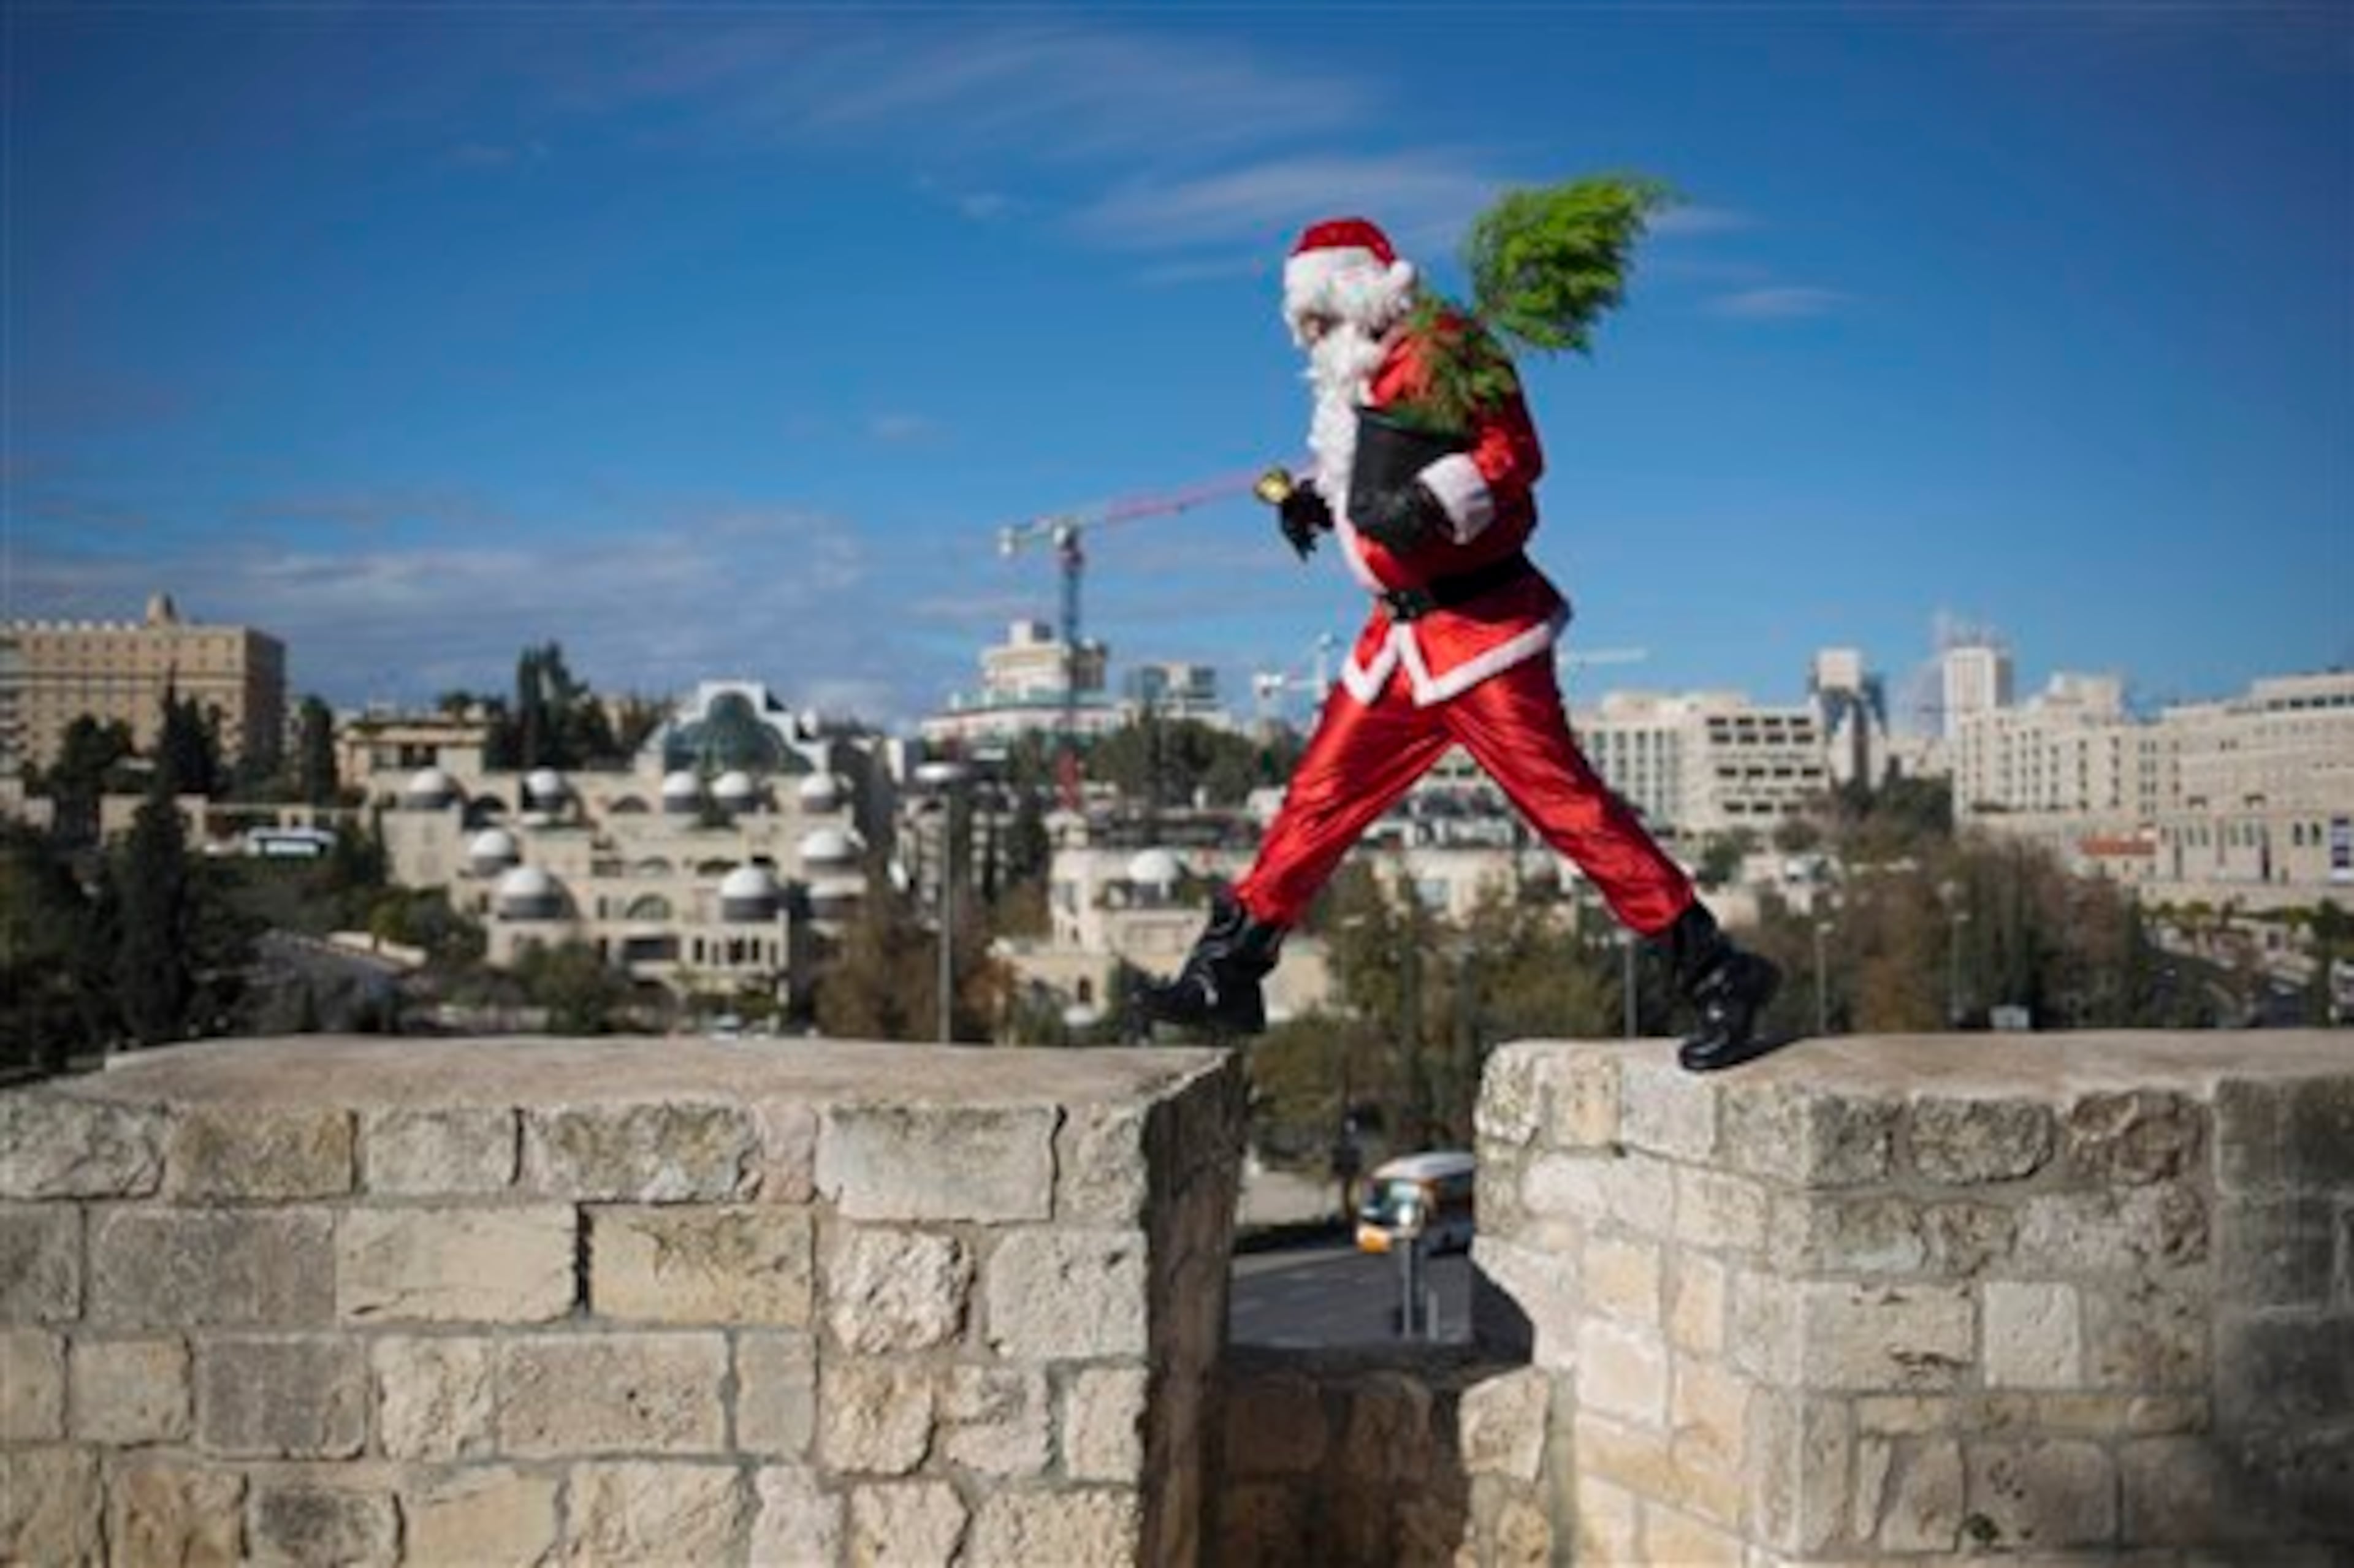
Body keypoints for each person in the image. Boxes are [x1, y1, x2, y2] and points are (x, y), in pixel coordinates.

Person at [1133, 216, 1781, 1071]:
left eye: (1316, 317)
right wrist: (1315, 505)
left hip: (1482, 633)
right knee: (1316, 796)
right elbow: (1370, 485)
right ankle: (1231, 969)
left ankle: (1719, 971)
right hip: (1399, 636)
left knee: (1568, 809)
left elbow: (1512, 453)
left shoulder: (1446, 346)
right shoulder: (1354, 373)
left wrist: (1439, 499)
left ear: (1354, 291)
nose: (1308, 337)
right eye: (1304, 325)